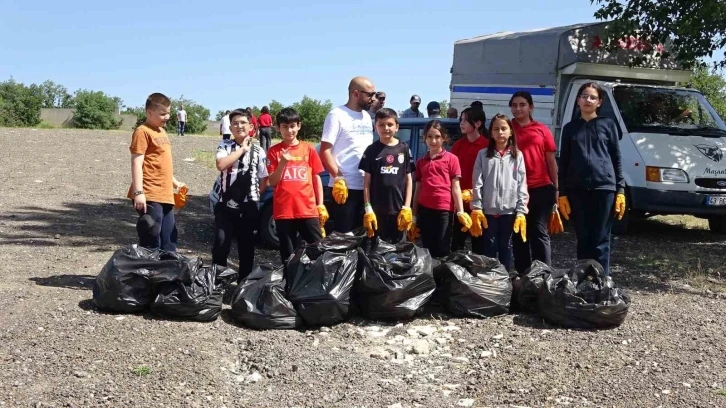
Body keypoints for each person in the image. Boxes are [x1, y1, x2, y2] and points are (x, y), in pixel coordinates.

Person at [558, 82, 625, 276]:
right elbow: (564, 162)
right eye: (584, 96)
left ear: (599, 102)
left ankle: (601, 281)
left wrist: (620, 190)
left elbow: (616, 158)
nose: (588, 100)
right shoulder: (570, 128)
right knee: (583, 237)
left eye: (592, 97)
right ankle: (583, 278)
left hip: (604, 189)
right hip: (577, 189)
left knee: (601, 239)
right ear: (578, 100)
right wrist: (562, 192)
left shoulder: (608, 125)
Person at [212, 109, 269, 282]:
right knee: (221, 243)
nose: (239, 126)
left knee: (247, 246)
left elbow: (264, 179)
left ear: (251, 126)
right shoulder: (225, 146)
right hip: (225, 203)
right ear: (230, 127)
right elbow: (221, 164)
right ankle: (218, 282)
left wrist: (254, 196)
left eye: (243, 122)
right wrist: (242, 149)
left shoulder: (259, 151)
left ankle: (243, 284)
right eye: (235, 123)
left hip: (249, 205)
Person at [267, 107, 328, 263]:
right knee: (288, 256)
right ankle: (291, 285)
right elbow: (272, 182)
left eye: (292, 126)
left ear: (299, 126)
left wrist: (320, 205)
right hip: (284, 211)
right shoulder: (274, 151)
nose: (289, 130)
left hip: (307, 210)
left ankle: (317, 285)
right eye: (285, 127)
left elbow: (316, 178)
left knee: (318, 251)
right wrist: (282, 163)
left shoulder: (309, 149)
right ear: (278, 128)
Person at [128, 92, 185, 252]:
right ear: (149, 112)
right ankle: (149, 274)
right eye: (162, 114)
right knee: (151, 236)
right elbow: (137, 162)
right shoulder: (142, 131)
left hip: (165, 193)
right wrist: (139, 192)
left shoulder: (162, 132)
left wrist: (175, 182)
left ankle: (167, 273)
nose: (167, 117)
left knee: (169, 240)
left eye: (168, 113)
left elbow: (160, 163)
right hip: (150, 193)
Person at [469, 114, 529, 269]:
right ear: (491, 132)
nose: (500, 132)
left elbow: (522, 184)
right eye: (496, 129)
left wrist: (521, 210)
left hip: (509, 211)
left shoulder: (518, 155)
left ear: (510, 132)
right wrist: (477, 207)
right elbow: (477, 182)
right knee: (489, 246)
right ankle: (490, 280)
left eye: (504, 128)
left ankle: (504, 278)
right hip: (488, 211)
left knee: (506, 247)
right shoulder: (483, 155)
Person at [509, 91, 559, 274]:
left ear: (531, 107)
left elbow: (551, 161)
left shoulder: (542, 130)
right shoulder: (506, 128)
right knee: (519, 234)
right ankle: (523, 275)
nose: (518, 108)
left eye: (522, 104)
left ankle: (543, 275)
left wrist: (556, 188)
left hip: (541, 187)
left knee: (539, 232)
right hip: (514, 190)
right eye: (514, 105)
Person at [320, 76, 376, 233]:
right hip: (345, 189)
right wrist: (338, 177)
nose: (373, 98)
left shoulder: (366, 117)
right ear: (355, 93)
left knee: (364, 236)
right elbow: (325, 151)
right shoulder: (337, 115)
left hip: (366, 186)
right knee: (345, 237)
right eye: (370, 94)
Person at [409, 120, 472, 257]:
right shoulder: (421, 162)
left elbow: (456, 187)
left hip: (444, 210)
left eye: (437, 136)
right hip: (425, 210)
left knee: (443, 248)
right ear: (424, 138)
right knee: (427, 248)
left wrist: (460, 212)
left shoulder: (452, 159)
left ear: (444, 138)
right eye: (430, 136)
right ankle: (430, 276)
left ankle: (441, 278)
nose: (433, 140)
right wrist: (413, 215)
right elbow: (417, 189)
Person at [359, 108, 414, 242]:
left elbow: (409, 180)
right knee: (376, 252)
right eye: (381, 125)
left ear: (397, 127)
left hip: (398, 212)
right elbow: (366, 182)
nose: (386, 128)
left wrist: (407, 207)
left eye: (390, 124)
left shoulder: (404, 148)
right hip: (377, 213)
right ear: (375, 127)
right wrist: (368, 208)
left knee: (398, 253)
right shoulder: (371, 150)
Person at [451, 107, 488, 253]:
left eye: (465, 120)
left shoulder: (487, 146)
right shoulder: (458, 146)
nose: (461, 123)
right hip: (459, 205)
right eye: (461, 119)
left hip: (480, 205)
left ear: (478, 123)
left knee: (480, 247)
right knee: (456, 246)